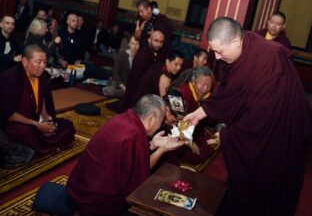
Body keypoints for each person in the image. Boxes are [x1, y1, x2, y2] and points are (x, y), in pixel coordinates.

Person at [183, 17, 311, 216]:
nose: (215, 57)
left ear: (235, 41)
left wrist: (227, 136)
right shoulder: (240, 50)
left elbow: (259, 119)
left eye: (219, 51)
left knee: (266, 189)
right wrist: (200, 113)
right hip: (265, 118)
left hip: (283, 130)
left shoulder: (269, 60)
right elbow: (230, 91)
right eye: (213, 50)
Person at [67, 94, 185, 216]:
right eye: (160, 121)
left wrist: (153, 144)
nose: (160, 125)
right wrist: (162, 149)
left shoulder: (123, 118)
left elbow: (127, 156)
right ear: (151, 118)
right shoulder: (133, 134)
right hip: (98, 203)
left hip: (79, 188)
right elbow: (142, 170)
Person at [0, 45, 75, 155]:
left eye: (44, 62)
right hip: (16, 124)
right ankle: (46, 144)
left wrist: (47, 120)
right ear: (25, 61)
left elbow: (43, 104)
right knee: (25, 133)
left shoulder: (42, 78)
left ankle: (44, 143)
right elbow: (9, 114)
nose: (43, 66)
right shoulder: (10, 78)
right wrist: (37, 125)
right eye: (38, 62)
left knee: (67, 125)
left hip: (35, 121)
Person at [109, 30, 166, 112]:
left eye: (161, 42)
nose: (159, 44)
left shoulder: (156, 55)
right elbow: (134, 79)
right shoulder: (143, 56)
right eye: (156, 41)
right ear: (149, 40)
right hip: (135, 93)